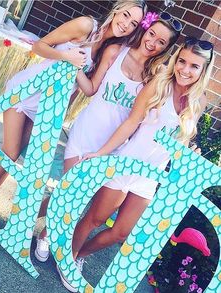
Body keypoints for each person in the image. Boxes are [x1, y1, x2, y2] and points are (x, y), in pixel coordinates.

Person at [0, 0, 146, 225]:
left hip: (50, 104)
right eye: (126, 15)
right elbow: (39, 45)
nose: (126, 23)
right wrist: (67, 57)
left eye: (134, 23)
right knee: (10, 150)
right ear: (117, 10)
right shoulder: (86, 25)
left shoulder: (107, 49)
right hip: (29, 91)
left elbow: (81, 87)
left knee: (17, 151)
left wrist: (61, 113)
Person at [55, 12, 183, 292]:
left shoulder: (156, 77)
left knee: (86, 205)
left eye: (162, 42)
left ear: (166, 48)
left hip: (116, 148)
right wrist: (72, 62)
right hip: (88, 136)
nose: (153, 43)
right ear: (145, 31)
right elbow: (90, 89)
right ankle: (48, 240)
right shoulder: (116, 51)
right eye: (152, 35)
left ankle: (58, 244)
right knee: (71, 197)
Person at [71, 37, 214, 279]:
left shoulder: (197, 102)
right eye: (182, 61)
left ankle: (78, 256)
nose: (185, 70)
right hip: (127, 164)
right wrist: (102, 152)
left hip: (150, 178)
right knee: (94, 219)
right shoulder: (159, 86)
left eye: (194, 66)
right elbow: (130, 123)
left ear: (204, 70)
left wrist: (189, 153)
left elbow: (180, 142)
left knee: (121, 232)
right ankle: (68, 258)